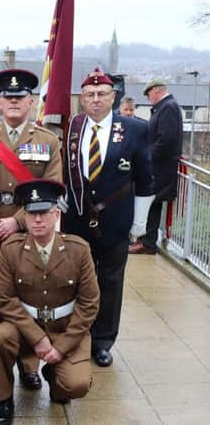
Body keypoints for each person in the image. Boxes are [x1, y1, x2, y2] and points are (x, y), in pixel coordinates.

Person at [0, 68, 62, 390]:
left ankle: (29, 364)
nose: (14, 102)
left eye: (21, 97)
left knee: (28, 297)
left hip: (29, 231)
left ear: (31, 102)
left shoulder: (47, 141)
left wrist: (16, 222)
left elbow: (53, 187)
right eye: (9, 97)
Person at [0, 179, 99, 424]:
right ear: (24, 217)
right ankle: (4, 398)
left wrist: (61, 347)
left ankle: (53, 374)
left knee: (75, 386)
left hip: (64, 328)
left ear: (56, 214)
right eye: (31, 214)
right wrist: (37, 338)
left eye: (44, 213)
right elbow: (4, 298)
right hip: (24, 327)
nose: (37, 220)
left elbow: (89, 303)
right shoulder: (11, 249)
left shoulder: (78, 249)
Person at [63, 68, 153, 368]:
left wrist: (139, 223)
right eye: (90, 95)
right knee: (76, 281)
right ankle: (78, 336)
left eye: (102, 94)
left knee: (111, 282)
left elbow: (145, 179)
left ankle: (103, 341)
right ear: (82, 99)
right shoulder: (70, 130)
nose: (96, 99)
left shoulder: (135, 129)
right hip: (75, 218)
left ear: (113, 97)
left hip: (116, 218)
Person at [129, 79, 183, 255]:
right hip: (159, 167)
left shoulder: (168, 107)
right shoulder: (166, 107)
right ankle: (145, 241)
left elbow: (166, 139)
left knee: (152, 203)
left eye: (148, 94)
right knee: (152, 203)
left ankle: (147, 243)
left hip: (160, 167)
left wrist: (148, 157)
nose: (148, 98)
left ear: (156, 91)